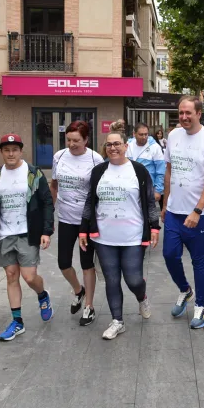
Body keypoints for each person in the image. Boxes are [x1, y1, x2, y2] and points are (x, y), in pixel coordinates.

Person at [79, 131, 160, 339]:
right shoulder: (98, 171)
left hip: (133, 235)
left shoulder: (139, 171)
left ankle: (142, 297)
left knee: (133, 279)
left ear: (126, 146)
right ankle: (117, 321)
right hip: (104, 237)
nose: (113, 148)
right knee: (112, 279)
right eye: (109, 145)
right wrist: (83, 229)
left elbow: (150, 201)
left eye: (117, 144)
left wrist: (154, 227)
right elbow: (90, 201)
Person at [0, 134, 54, 341]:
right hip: (4, 234)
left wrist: (46, 231)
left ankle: (42, 295)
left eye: (14, 149)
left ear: (21, 151)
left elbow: (47, 202)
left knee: (29, 277)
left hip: (27, 233)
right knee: (11, 276)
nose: (11, 153)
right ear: (1, 152)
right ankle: (17, 322)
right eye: (6, 150)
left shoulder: (33, 173)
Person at [163, 95, 204, 329]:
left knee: (200, 262)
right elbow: (169, 171)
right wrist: (166, 203)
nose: (184, 117)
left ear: (199, 113)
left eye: (189, 113)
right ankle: (185, 290)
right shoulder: (173, 135)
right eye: (181, 113)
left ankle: (201, 306)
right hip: (174, 212)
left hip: (201, 214)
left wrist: (197, 210)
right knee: (169, 255)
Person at [50, 121, 104, 325]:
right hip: (65, 217)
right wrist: (50, 214)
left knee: (86, 263)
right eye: (69, 140)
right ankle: (78, 290)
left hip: (86, 220)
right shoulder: (59, 156)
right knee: (63, 262)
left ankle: (89, 306)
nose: (72, 144)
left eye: (77, 141)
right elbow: (54, 185)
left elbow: (99, 191)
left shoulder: (95, 158)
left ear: (86, 140)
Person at [126, 123, 165, 206]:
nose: (144, 137)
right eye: (141, 134)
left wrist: (158, 190)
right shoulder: (128, 146)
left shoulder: (155, 147)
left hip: (148, 189)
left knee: (149, 216)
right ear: (134, 134)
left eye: (146, 134)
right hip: (129, 188)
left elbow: (161, 171)